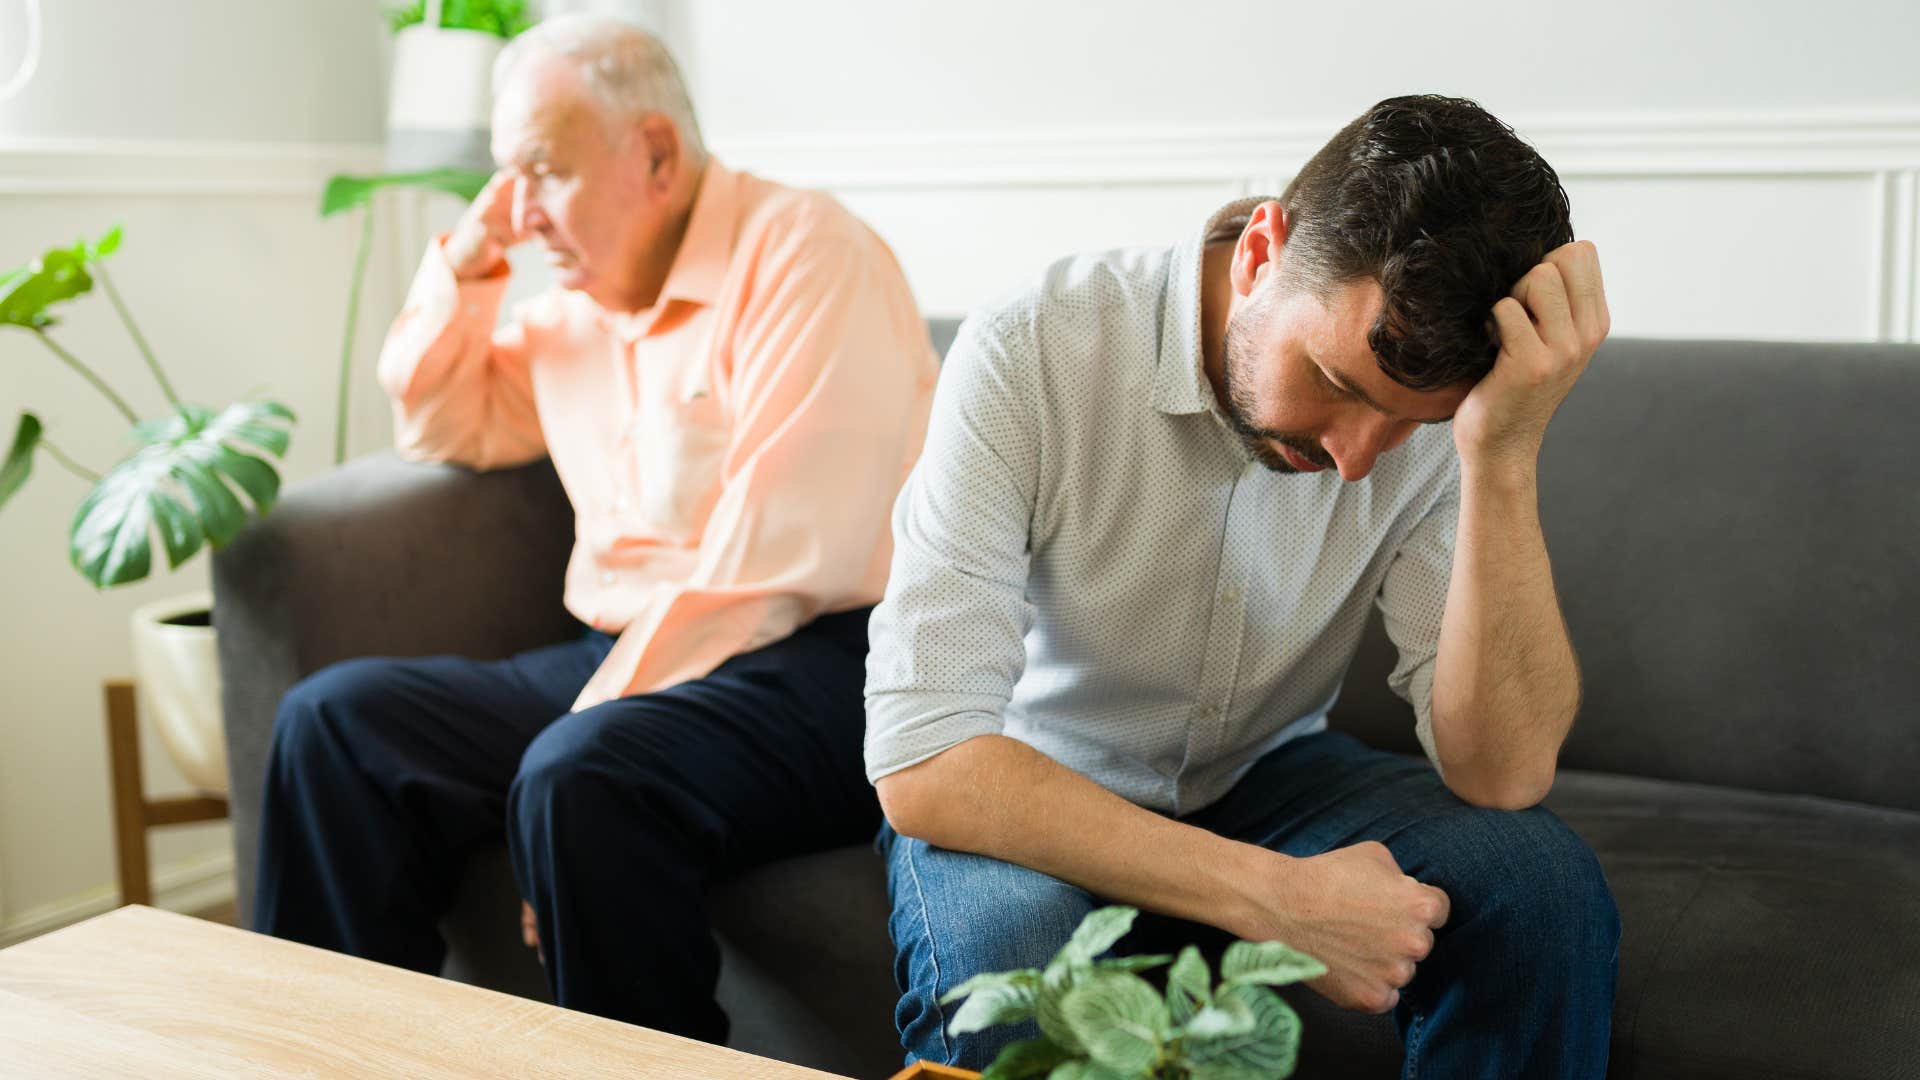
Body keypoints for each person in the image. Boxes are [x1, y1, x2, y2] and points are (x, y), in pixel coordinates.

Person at [865, 94, 1619, 1075]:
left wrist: (1501, 451)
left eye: (1408, 423)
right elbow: (927, 757)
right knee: (1027, 995)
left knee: (1541, 889)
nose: (1357, 458)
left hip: (1262, 771)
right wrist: (1274, 898)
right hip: (1034, 776)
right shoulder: (1034, 348)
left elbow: (1503, 773)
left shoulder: (1443, 430)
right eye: (1338, 384)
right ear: (1263, 250)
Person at [252, 14, 936, 1044]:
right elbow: (438, 417)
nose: (525, 213)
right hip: (634, 659)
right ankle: (329, 1057)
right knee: (334, 725)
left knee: (582, 773)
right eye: (505, 178)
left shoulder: (805, 250)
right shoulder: (576, 305)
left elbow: (778, 566)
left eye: (543, 171)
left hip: (829, 663)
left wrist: (592, 718)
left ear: (656, 153)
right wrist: (478, 251)